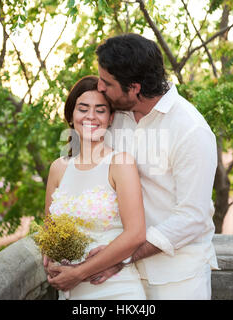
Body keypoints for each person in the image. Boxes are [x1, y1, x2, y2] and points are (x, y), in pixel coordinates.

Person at [82, 33, 219, 300]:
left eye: (107, 82)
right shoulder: (113, 116)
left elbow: (192, 217)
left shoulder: (191, 130)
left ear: (134, 88)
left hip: (177, 278)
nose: (99, 87)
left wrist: (120, 257)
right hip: (119, 278)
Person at [43, 75, 147, 299]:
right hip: (70, 291)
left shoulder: (121, 163)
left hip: (115, 290)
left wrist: (79, 273)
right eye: (83, 108)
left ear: (110, 118)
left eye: (100, 110)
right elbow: (50, 231)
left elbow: (136, 234)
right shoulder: (58, 168)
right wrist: (49, 255)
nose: (91, 116)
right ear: (71, 115)